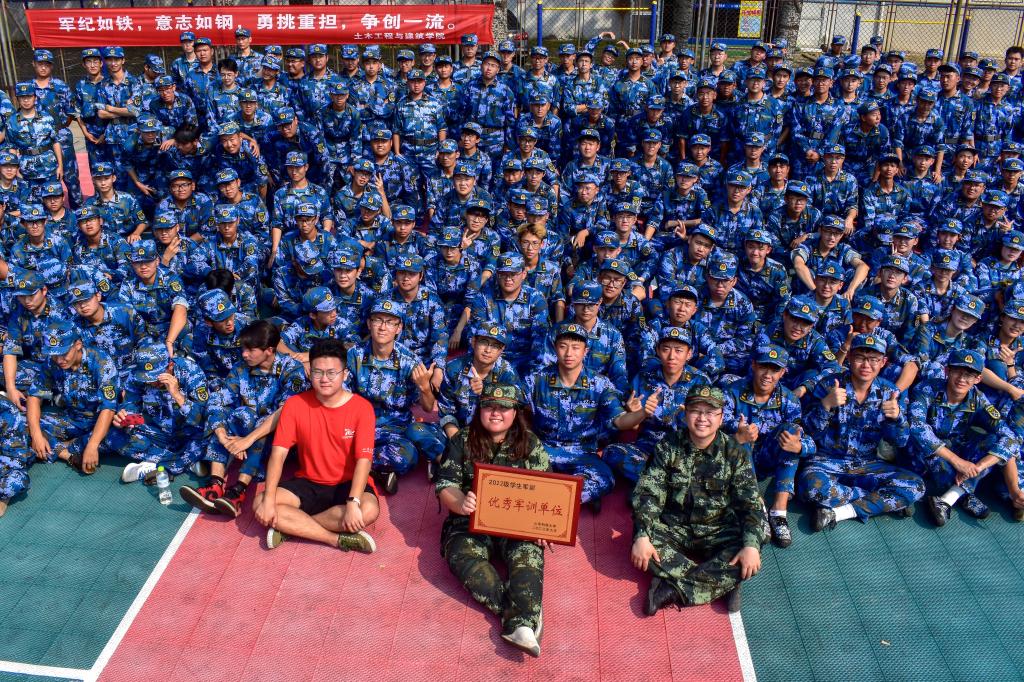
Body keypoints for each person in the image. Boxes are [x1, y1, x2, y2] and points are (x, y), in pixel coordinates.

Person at [631, 384, 767, 615]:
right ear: (685, 414)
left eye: (710, 412)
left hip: (718, 530)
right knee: (641, 545)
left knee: (751, 549)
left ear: (721, 418)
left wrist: (751, 546)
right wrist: (642, 534)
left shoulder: (735, 453)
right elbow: (648, 493)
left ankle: (673, 589)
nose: (702, 418)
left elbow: (750, 504)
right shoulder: (668, 446)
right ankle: (721, 582)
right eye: (695, 411)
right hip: (674, 527)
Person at [436, 383, 550, 657]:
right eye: (489, 406)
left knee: (528, 558)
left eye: (504, 408)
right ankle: (521, 617)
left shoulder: (530, 444)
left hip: (518, 524)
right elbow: (445, 485)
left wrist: (544, 527)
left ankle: (522, 619)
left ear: (515, 412)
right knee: (463, 558)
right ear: (480, 410)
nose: (496, 413)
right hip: (470, 522)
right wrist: (460, 503)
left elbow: (547, 490)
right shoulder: (462, 440)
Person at [256, 338, 379, 553]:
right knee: (260, 503)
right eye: (318, 372)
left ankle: (294, 526)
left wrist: (352, 502)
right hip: (309, 483)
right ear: (309, 372)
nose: (324, 379)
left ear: (345, 374)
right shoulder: (295, 405)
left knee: (367, 511)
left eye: (332, 373)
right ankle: (333, 538)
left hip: (347, 483)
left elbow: (364, 460)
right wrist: (268, 500)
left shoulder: (362, 408)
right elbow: (278, 455)